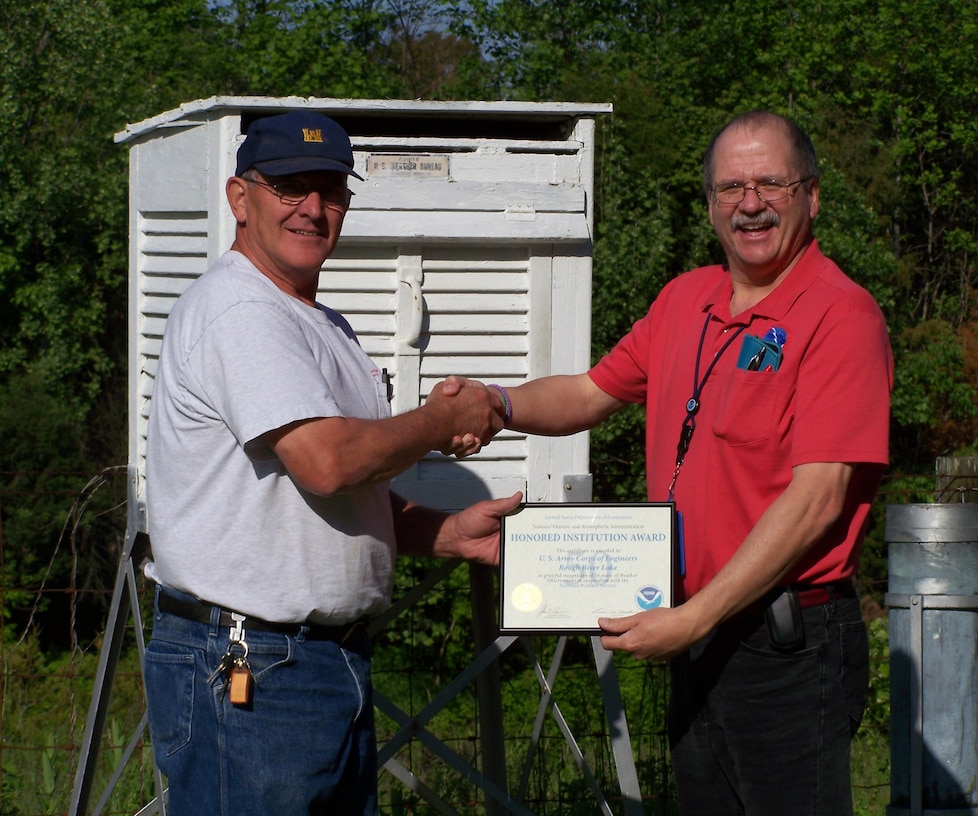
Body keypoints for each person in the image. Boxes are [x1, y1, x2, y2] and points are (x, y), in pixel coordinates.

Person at [479, 111, 893, 814]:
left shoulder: (840, 316)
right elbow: (586, 392)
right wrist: (493, 405)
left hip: (783, 647)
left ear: (812, 195)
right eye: (730, 186)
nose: (750, 202)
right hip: (696, 632)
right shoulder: (684, 302)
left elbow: (819, 498)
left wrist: (697, 616)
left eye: (770, 182)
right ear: (709, 205)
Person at [143, 110, 520, 816]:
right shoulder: (239, 310)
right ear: (239, 197)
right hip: (252, 669)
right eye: (290, 187)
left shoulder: (323, 324)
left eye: (331, 191)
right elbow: (325, 463)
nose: (313, 209)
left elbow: (337, 495)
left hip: (316, 667)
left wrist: (445, 533)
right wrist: (441, 421)